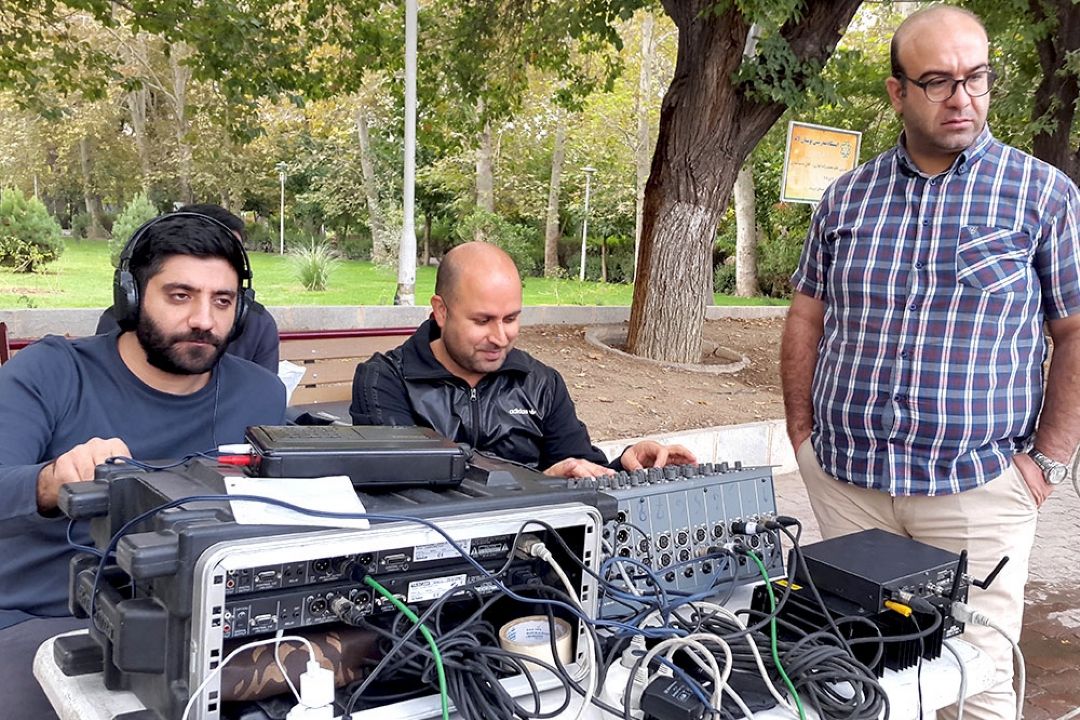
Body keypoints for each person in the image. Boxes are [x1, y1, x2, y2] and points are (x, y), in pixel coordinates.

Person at [780, 6, 1080, 720]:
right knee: (858, 665)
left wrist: (1047, 463)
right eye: (939, 81)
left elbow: (1074, 331)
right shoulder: (847, 198)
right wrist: (802, 434)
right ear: (898, 92)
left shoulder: (1042, 194)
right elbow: (807, 314)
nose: (962, 97)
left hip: (976, 486)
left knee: (977, 681)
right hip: (848, 480)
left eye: (977, 78)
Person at [0, 212, 287, 718]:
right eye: (180, 295)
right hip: (43, 620)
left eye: (222, 301)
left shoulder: (261, 394)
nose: (204, 320)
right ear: (130, 297)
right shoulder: (51, 371)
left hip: (204, 621)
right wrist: (50, 481)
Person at [350, 242, 695, 478]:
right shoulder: (386, 381)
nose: (500, 337)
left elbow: (578, 468)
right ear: (441, 311)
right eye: (482, 321)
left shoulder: (540, 383)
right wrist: (539, 485)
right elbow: (406, 485)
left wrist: (626, 465)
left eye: (511, 318)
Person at [96, 204, 281, 372]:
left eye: (232, 256)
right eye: (180, 296)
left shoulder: (259, 325)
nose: (204, 322)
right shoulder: (119, 320)